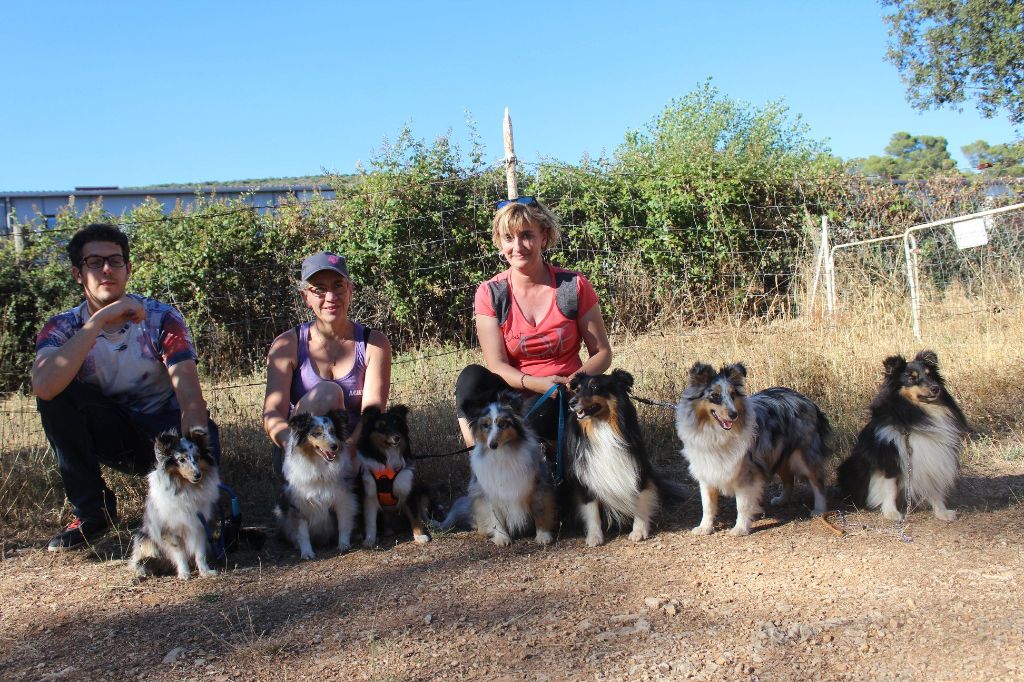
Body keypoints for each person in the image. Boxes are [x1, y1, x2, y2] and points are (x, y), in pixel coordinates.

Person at [32, 223, 220, 551]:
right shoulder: (63, 326)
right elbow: (45, 386)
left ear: (128, 269)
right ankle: (93, 512)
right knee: (57, 399)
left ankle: (200, 510)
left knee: (204, 428)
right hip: (111, 432)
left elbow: (189, 391)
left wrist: (196, 432)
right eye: (94, 262)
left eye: (115, 261)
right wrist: (99, 321)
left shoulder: (161, 318)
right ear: (78, 274)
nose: (106, 269)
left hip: (165, 435)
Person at [455, 196, 612, 448]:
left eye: (527, 235)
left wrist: (572, 382)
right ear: (499, 242)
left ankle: (548, 449)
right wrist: (536, 384)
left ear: (545, 237)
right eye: (508, 237)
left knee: (545, 415)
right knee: (470, 378)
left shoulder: (573, 286)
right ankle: (481, 460)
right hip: (513, 394)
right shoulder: (490, 293)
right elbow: (496, 365)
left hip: (564, 391)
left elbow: (602, 353)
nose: (517, 246)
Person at [263, 252, 392, 473]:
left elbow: (371, 414)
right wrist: (294, 449)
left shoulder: (375, 344)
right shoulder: (286, 345)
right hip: (301, 456)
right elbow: (272, 414)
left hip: (353, 450)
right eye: (319, 289)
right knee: (327, 393)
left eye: (338, 286)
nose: (330, 297)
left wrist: (348, 456)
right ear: (306, 297)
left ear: (350, 291)